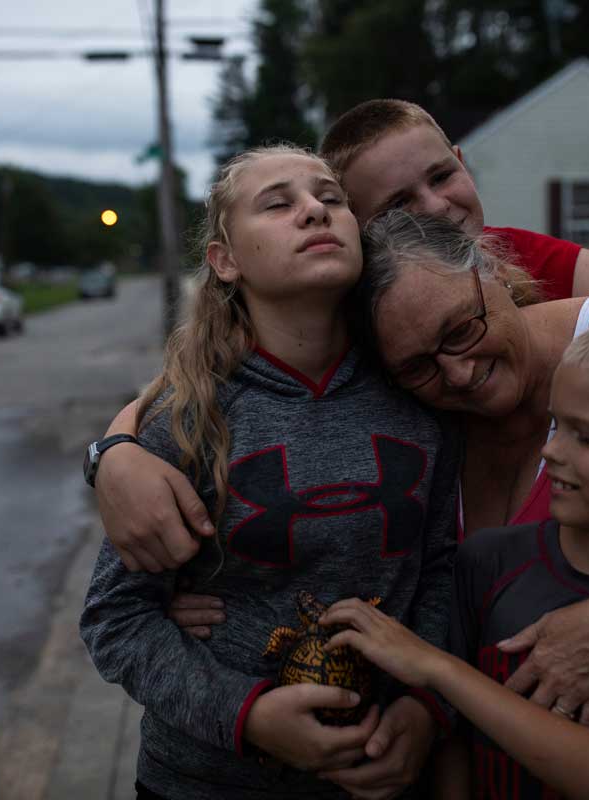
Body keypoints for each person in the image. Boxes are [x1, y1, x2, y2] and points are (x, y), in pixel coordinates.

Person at [89, 100, 589, 797]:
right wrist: (114, 454)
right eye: (390, 204)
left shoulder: (577, 329)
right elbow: (131, 596)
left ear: (498, 270)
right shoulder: (390, 386)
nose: (457, 370)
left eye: (441, 176)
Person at [79, 147, 461, 799]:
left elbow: (442, 568)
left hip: (384, 774)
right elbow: (116, 618)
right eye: (279, 205)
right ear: (225, 261)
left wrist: (427, 706)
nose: (315, 210)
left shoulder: (420, 390)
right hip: (205, 782)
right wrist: (247, 715)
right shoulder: (185, 418)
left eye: (331, 198)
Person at [321, 313, 589, 800]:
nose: (551, 450)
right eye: (556, 425)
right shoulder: (489, 561)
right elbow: (454, 740)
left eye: (586, 436)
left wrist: (437, 667)